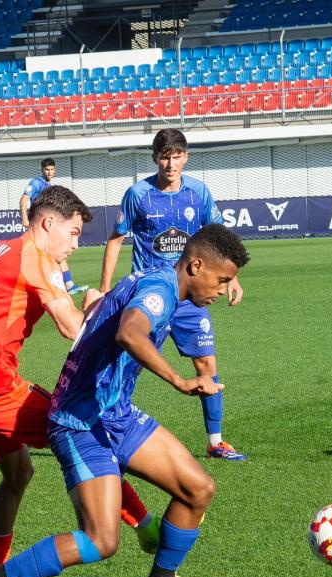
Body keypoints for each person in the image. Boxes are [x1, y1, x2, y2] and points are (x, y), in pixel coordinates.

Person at [0, 225, 251, 577]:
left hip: (115, 414)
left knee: (197, 488)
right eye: (221, 280)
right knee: (100, 540)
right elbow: (129, 332)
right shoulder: (161, 290)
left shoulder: (162, 281)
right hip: (79, 420)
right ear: (196, 265)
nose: (221, 290)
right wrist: (179, 381)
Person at [0, 186, 160, 577]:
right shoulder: (37, 257)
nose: (75, 244)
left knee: (17, 475)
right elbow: (73, 329)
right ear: (48, 223)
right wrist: (98, 304)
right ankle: (145, 526)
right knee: (86, 431)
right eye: (74, 232)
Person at [100, 128, 247, 461]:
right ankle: (104, 429)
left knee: (206, 363)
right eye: (165, 156)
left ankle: (216, 441)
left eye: (177, 155)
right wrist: (106, 287)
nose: (170, 163)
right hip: (151, 295)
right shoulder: (137, 194)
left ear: (186, 157)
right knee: (127, 361)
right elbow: (116, 238)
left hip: (190, 295)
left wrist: (232, 278)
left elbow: (219, 235)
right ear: (155, 158)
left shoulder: (199, 193)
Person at [19, 158, 88, 295]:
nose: (49, 172)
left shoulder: (47, 185)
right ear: (42, 170)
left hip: (48, 224)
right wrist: (25, 219)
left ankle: (67, 285)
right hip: (40, 225)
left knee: (55, 254)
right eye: (46, 169)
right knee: (42, 254)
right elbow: (24, 200)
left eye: (51, 169)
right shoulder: (37, 183)